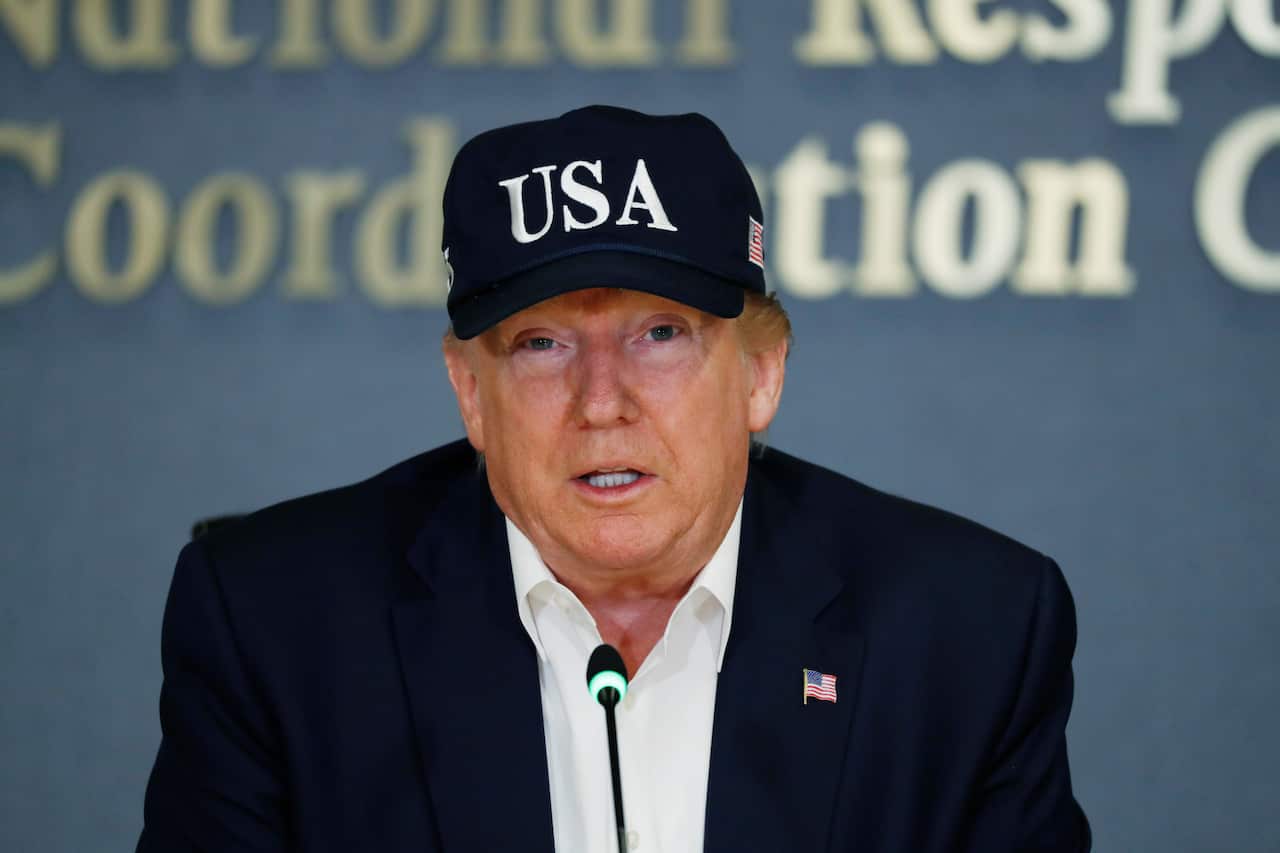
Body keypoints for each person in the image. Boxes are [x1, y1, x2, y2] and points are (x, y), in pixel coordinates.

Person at [137, 105, 1091, 852]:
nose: (602, 402)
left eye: (660, 335)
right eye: (542, 342)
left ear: (762, 373)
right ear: (470, 392)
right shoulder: (274, 626)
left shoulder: (971, 632)